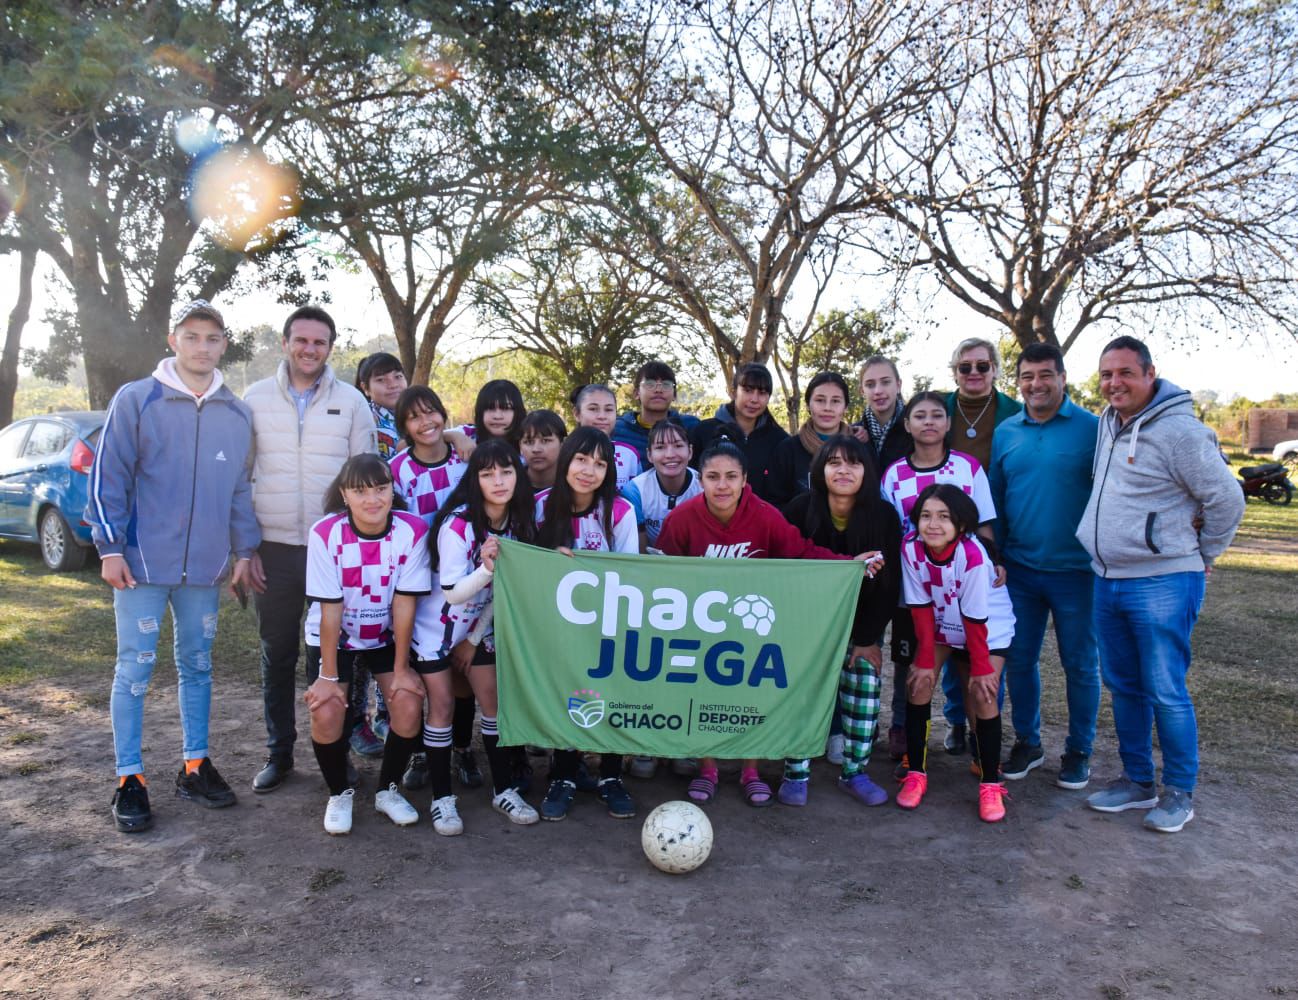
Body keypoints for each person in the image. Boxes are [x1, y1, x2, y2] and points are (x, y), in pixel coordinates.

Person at [88, 299, 259, 833]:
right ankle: (129, 778)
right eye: (192, 336)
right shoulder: (137, 399)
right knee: (135, 668)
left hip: (204, 569)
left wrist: (244, 551)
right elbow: (109, 474)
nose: (202, 347)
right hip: (140, 564)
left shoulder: (237, 413)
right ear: (173, 340)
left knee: (198, 665)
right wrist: (109, 547)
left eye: (212, 338)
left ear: (224, 344)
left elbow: (239, 489)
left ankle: (194, 766)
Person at [1077, 336, 1243, 834]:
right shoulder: (1108, 422)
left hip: (1163, 580)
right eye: (1107, 374)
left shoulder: (1180, 432)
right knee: (1123, 685)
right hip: (1108, 577)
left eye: (1125, 373)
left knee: (1166, 689)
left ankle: (1179, 792)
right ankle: (1137, 781)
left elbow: (1227, 499)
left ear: (1150, 374)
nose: (1114, 383)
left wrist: (1202, 554)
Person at [657, 442, 877, 807]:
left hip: (752, 626)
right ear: (700, 480)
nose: (722, 485)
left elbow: (802, 553)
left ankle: (751, 769)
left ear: (745, 479)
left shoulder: (764, 515)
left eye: (731, 476)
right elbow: (659, 572)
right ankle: (707, 768)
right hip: (698, 624)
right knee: (700, 690)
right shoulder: (681, 519)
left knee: (754, 691)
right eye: (713, 477)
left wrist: (848, 564)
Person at [243, 305, 376, 794]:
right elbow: (240, 477)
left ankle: (335, 759)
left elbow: (366, 477)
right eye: (301, 340)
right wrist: (245, 548)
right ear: (285, 343)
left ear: (330, 348)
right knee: (276, 655)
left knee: (330, 660)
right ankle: (279, 754)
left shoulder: (352, 402)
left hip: (333, 555)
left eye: (319, 342)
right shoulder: (255, 399)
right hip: (274, 549)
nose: (309, 349)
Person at [411, 440, 542, 832]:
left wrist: (474, 638)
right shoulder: (458, 524)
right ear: (475, 480)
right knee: (442, 706)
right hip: (436, 629)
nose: (499, 481)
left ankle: (503, 789)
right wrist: (486, 568)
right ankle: (442, 798)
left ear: (518, 477)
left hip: (475, 627)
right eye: (488, 474)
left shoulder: (521, 521)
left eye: (506, 472)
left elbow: (505, 591)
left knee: (494, 702)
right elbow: (453, 592)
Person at [988, 343, 1100, 788]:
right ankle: (1028, 742)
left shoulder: (1092, 429)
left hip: (1078, 571)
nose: (1036, 384)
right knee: (1019, 660)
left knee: (1080, 665)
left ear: (1063, 378)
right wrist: (996, 556)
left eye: (1045, 375)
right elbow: (996, 499)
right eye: (1027, 376)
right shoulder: (1006, 432)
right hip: (1020, 570)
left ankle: (1079, 750)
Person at [302, 455, 431, 835]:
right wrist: (328, 677)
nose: (372, 499)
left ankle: (388, 790)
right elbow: (330, 610)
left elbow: (404, 603)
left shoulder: (412, 530)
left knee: (407, 703)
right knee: (326, 710)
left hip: (386, 635)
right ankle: (338, 792)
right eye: (360, 491)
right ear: (344, 495)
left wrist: (402, 669)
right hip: (335, 635)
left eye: (380, 488)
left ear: (392, 490)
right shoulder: (325, 533)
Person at [880, 391, 1001, 769]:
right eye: (920, 416)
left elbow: (983, 525)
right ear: (907, 424)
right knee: (912, 666)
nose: (929, 422)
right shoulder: (894, 474)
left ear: (948, 423)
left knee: (969, 668)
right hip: (914, 587)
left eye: (936, 415)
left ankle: (981, 752)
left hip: (962, 587)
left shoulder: (967, 468)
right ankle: (908, 743)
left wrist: (993, 561)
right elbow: (889, 530)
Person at [781, 435, 901, 807]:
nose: (843, 470)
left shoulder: (883, 516)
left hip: (860, 626)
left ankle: (854, 772)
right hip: (808, 626)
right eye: (834, 462)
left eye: (853, 463)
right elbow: (788, 571)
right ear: (820, 470)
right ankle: (795, 772)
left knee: (864, 688)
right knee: (802, 695)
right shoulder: (799, 509)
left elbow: (888, 584)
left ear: (867, 471)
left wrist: (867, 639)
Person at [535, 427, 640, 821]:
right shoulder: (539, 506)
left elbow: (631, 575)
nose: (588, 471)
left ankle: (611, 775)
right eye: (581, 459)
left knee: (612, 695)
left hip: (609, 625)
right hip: (556, 628)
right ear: (566, 460)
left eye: (599, 464)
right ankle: (563, 775)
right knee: (568, 696)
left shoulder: (620, 512)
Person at [897, 484, 1015, 823]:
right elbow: (919, 606)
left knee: (982, 693)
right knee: (918, 683)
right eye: (926, 516)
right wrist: (923, 661)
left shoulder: (972, 555)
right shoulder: (910, 548)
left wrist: (981, 668)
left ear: (961, 524)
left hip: (986, 626)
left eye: (943, 517)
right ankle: (916, 773)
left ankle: (990, 782)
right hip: (941, 622)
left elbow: (976, 619)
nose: (933, 524)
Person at [388, 385, 469, 792]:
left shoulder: (466, 458)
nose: (426, 422)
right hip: (414, 583)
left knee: (462, 671)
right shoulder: (396, 469)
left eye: (431, 412)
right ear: (404, 427)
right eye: (414, 417)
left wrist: (459, 437)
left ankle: (462, 748)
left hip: (462, 580)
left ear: (443, 413)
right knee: (422, 669)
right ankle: (420, 752)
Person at [853, 355, 912, 760]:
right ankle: (866, 721)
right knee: (867, 638)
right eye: (871, 384)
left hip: (911, 547)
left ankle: (902, 725)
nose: (878, 390)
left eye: (885, 382)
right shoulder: (856, 433)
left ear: (897, 384)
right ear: (863, 390)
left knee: (907, 645)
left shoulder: (912, 427)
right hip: (870, 540)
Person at [690, 362, 789, 503]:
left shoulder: (779, 440)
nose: (754, 399)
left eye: (762, 393)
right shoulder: (704, 431)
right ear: (734, 391)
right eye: (748, 390)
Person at [767, 371, 853, 507]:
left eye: (836, 401)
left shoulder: (860, 449)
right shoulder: (787, 450)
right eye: (820, 400)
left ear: (845, 407)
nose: (827, 408)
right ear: (808, 404)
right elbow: (775, 503)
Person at [621, 419, 702, 552]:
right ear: (649, 455)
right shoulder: (635, 491)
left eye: (678, 446)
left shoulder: (704, 487)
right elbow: (639, 551)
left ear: (690, 451)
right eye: (660, 447)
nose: (670, 455)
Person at [943, 338, 1022, 470]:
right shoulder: (937, 408)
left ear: (994, 369)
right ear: (955, 373)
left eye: (982, 366)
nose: (974, 372)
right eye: (965, 367)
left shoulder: (1017, 412)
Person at [612, 360, 700, 463]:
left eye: (666, 385)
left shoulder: (691, 426)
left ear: (674, 395)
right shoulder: (617, 430)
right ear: (636, 393)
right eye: (650, 384)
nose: (658, 390)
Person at [571, 383, 642, 489]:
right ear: (577, 414)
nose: (602, 416)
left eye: (608, 410)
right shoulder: (565, 453)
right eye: (593, 409)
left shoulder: (629, 455)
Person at [354, 352, 408, 460]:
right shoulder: (361, 419)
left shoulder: (421, 412)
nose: (393, 385)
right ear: (365, 388)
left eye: (398, 376)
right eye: (381, 380)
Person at [519, 409, 567, 491]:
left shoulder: (575, 486)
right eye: (529, 442)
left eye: (545, 441)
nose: (536, 449)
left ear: (562, 445)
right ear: (520, 446)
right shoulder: (508, 484)